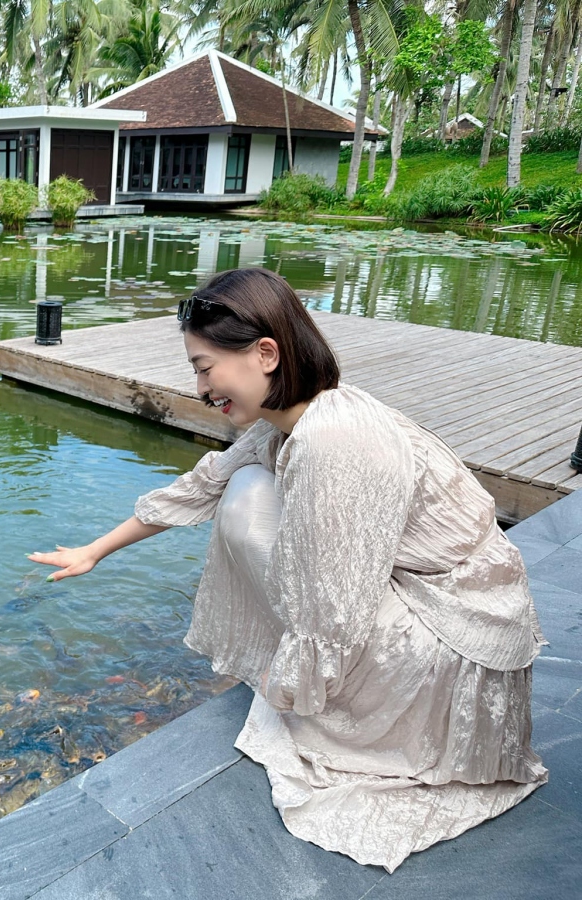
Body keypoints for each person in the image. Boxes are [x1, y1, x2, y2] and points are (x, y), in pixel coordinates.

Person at [29, 267, 547, 873]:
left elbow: (335, 603)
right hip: (437, 600)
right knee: (242, 483)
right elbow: (201, 485)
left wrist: (298, 690)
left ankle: (344, 708)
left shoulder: (334, 443)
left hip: (453, 637)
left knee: (249, 505)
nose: (200, 388)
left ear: (266, 353)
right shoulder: (294, 419)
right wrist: (95, 550)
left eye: (204, 367)